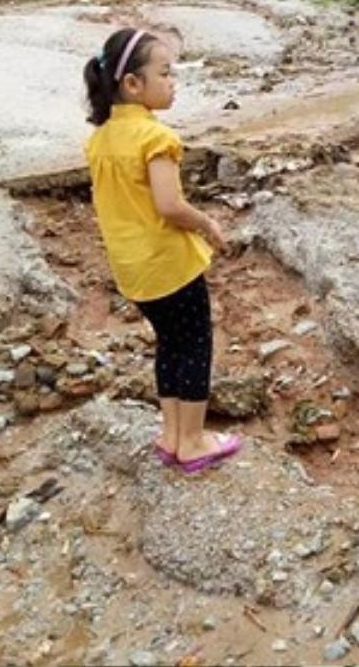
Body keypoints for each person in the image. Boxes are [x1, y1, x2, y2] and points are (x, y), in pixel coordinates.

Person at [83, 27, 240, 474]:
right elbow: (169, 205)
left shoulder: (100, 140)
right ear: (133, 85)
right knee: (194, 345)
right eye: (166, 74)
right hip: (169, 265)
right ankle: (192, 441)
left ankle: (171, 434)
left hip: (133, 270)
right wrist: (208, 223)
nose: (174, 83)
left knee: (169, 344)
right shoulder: (156, 140)